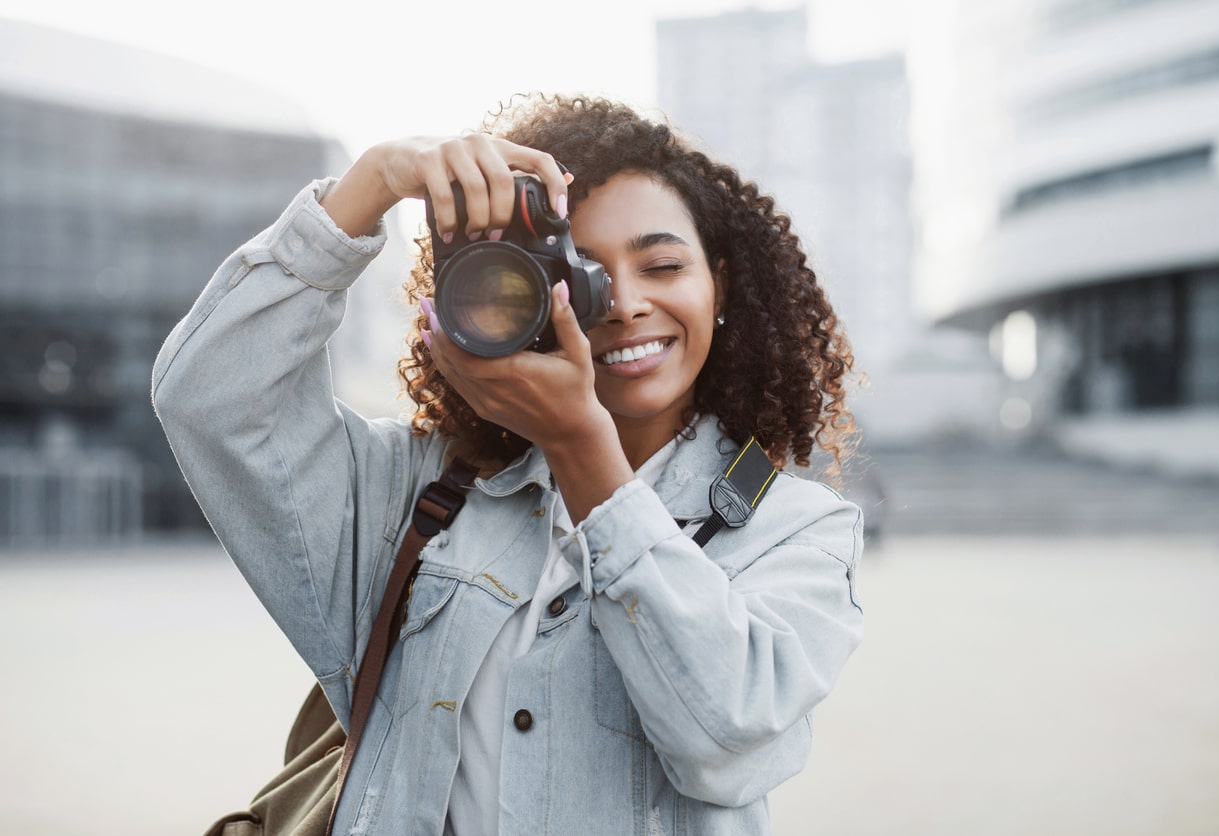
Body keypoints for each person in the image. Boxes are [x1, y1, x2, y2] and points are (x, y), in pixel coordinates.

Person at [153, 94, 864, 835]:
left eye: (661, 265)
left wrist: (583, 451)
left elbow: (726, 740)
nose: (622, 303)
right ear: (509, 293)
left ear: (718, 285)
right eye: (580, 271)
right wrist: (371, 186)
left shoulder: (797, 531)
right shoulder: (419, 497)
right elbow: (210, 400)